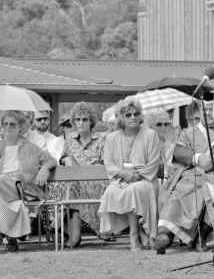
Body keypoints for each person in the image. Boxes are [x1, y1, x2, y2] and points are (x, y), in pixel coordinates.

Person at [98, 98, 162, 252]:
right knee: (111, 191)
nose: (133, 117)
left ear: (141, 116)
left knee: (133, 190)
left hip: (146, 180)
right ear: (121, 118)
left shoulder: (150, 135)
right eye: (128, 115)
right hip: (122, 179)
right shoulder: (112, 138)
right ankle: (137, 231)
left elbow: (154, 163)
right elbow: (109, 164)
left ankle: (134, 235)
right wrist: (124, 174)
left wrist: (137, 175)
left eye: (136, 114)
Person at [155, 101, 214, 254]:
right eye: (206, 109)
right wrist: (197, 158)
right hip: (192, 173)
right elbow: (178, 152)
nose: (209, 113)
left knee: (211, 193)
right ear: (200, 112)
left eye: (212, 109)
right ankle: (165, 233)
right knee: (180, 194)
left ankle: (200, 235)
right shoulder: (189, 132)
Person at [0, 111, 56, 251]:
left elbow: (51, 160)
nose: (8, 127)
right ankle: (10, 235)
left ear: (20, 127)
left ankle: (5, 233)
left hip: (23, 188)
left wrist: (44, 169)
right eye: (5, 124)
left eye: (12, 124)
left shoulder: (30, 147)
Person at [60, 102, 107, 248]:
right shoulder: (69, 140)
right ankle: (76, 234)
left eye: (85, 119)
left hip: (97, 184)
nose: (81, 123)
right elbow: (63, 160)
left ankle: (74, 235)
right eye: (78, 120)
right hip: (74, 182)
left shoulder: (102, 139)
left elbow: (105, 165)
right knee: (73, 186)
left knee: (74, 189)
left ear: (91, 121)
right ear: (73, 122)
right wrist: (67, 160)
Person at [145, 108, 178, 179]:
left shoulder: (170, 146)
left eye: (166, 124)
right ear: (150, 126)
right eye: (159, 124)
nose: (163, 127)